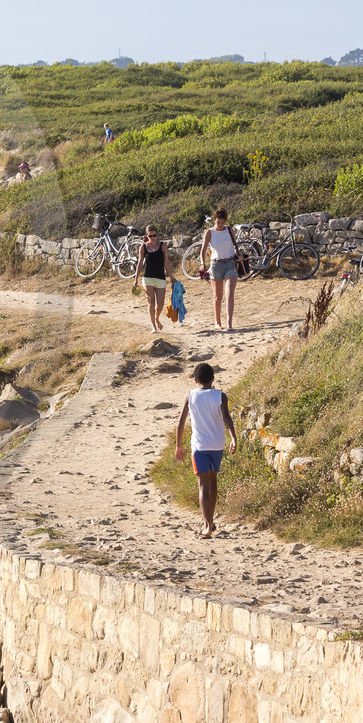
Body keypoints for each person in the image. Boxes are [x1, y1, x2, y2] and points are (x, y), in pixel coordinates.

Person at [175, 363, 238, 539]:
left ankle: (207, 525)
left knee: (203, 484)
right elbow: (227, 418)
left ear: (195, 380)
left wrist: (179, 445)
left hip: (200, 446)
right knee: (213, 481)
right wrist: (233, 437)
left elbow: (181, 423)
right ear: (213, 378)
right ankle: (211, 521)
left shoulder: (190, 395)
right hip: (218, 444)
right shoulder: (220, 396)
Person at [198, 207, 240, 331]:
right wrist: (202, 263)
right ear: (215, 221)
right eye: (218, 222)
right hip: (216, 264)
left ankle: (229, 323)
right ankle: (217, 322)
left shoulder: (229, 230)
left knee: (230, 293)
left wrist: (239, 254)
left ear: (225, 221)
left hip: (230, 263)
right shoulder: (210, 232)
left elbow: (235, 245)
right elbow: (203, 249)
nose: (221, 225)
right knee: (218, 296)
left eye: (222, 222)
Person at [133, 225, 178, 333]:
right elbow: (140, 264)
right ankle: (153, 326)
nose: (153, 238)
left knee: (161, 304)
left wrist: (171, 276)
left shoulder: (163, 246)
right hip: (147, 277)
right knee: (151, 303)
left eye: (155, 235)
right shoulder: (143, 248)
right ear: (146, 235)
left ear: (157, 234)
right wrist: (136, 279)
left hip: (160, 278)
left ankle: (157, 318)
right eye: (150, 236)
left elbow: (166, 262)